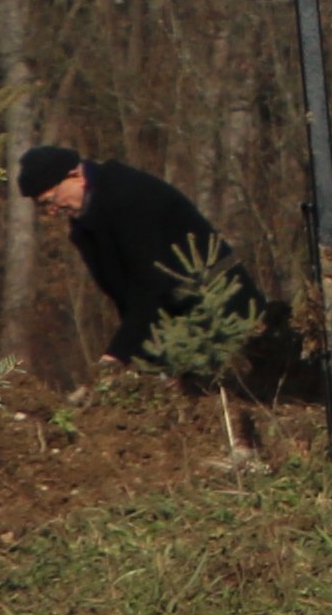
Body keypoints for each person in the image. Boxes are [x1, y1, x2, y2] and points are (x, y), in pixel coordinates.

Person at [15, 144, 290, 431]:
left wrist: (117, 356)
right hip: (171, 324)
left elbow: (150, 287)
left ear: (75, 176)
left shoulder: (128, 197)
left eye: (51, 200)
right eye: (43, 206)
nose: (51, 211)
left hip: (220, 309)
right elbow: (125, 296)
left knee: (238, 398)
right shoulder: (86, 224)